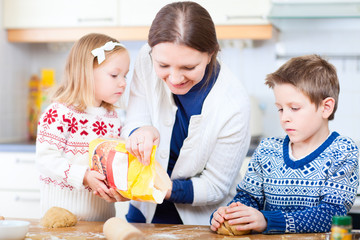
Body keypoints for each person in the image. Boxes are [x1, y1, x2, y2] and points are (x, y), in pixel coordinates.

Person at [120, 1, 251, 225]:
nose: (175, 78)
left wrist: (161, 186)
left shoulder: (233, 103)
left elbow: (215, 186)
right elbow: (135, 118)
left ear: (210, 54)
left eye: (188, 68)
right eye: (163, 65)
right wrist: (141, 132)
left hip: (201, 222)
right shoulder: (146, 58)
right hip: (143, 210)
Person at [210, 54, 359, 234]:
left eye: (294, 108)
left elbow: (330, 215)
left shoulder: (343, 151)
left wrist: (267, 220)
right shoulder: (267, 150)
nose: (284, 118)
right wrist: (229, 214)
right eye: (280, 109)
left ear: (325, 107)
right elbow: (247, 198)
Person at [36, 33, 130, 221]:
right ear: (85, 72)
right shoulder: (59, 113)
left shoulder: (113, 118)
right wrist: (84, 176)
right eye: (114, 75)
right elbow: (46, 160)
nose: (123, 83)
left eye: (125, 76)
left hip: (101, 218)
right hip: (62, 217)